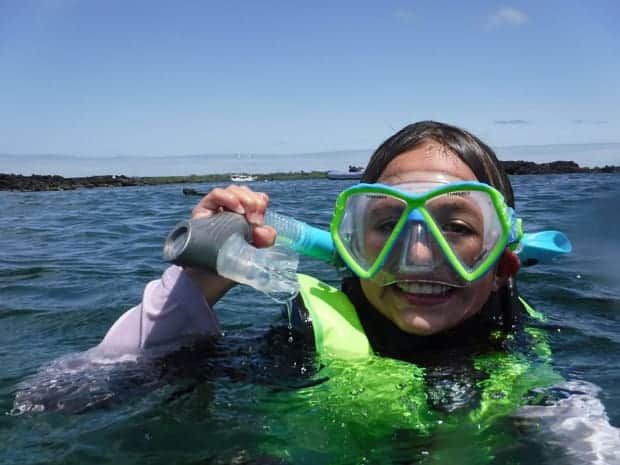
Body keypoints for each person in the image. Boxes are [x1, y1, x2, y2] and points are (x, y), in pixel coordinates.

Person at [98, 120, 524, 360]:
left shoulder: (534, 369)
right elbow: (69, 395)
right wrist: (199, 279)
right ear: (353, 244)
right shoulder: (297, 351)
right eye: (388, 225)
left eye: (456, 228)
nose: (416, 253)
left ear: (502, 266)